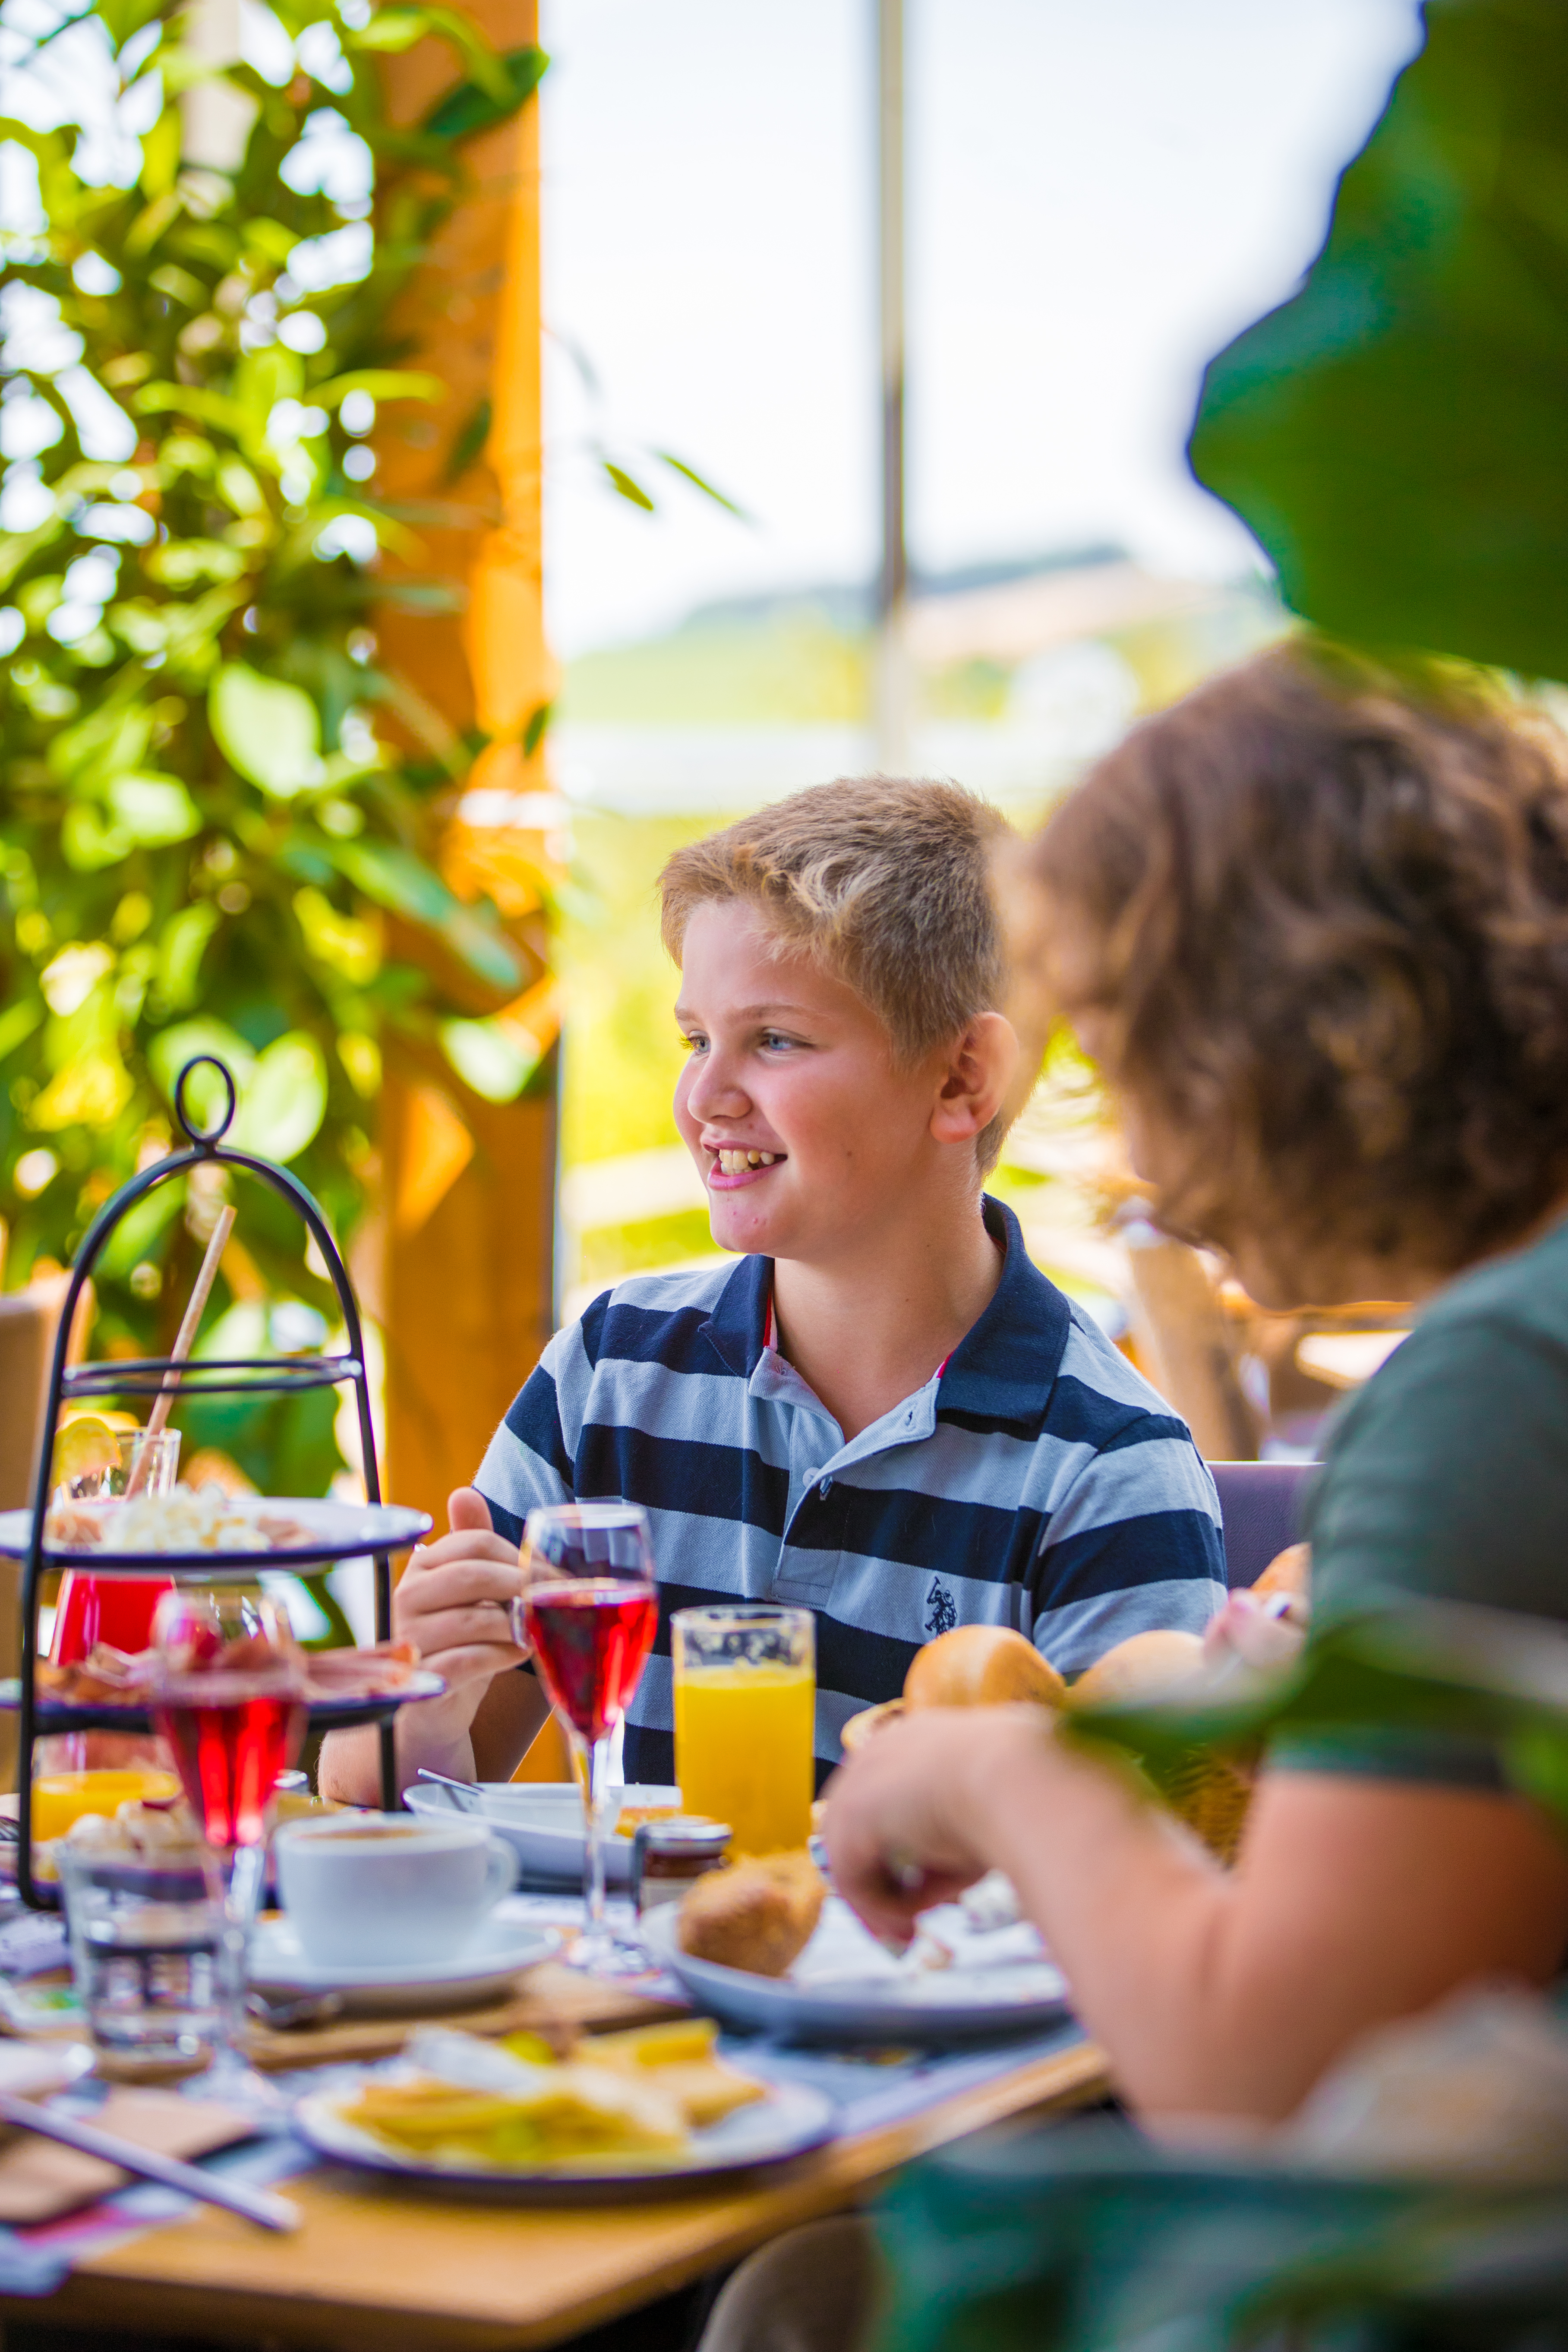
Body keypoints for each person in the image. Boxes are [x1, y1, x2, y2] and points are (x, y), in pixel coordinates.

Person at [823, 645, 1568, 2131]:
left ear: (1294, 1037)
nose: (1132, 1166)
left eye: (1127, 1063)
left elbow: (1266, 2088)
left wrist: (999, 1778)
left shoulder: (1498, 1389)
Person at [320, 778, 1224, 1804]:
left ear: (962, 1079)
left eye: (775, 1040)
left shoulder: (1107, 1471)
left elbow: (1137, 1887)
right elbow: (380, 1803)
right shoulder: (610, 1372)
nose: (704, 1097)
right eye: (696, 1039)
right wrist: (420, 1699)